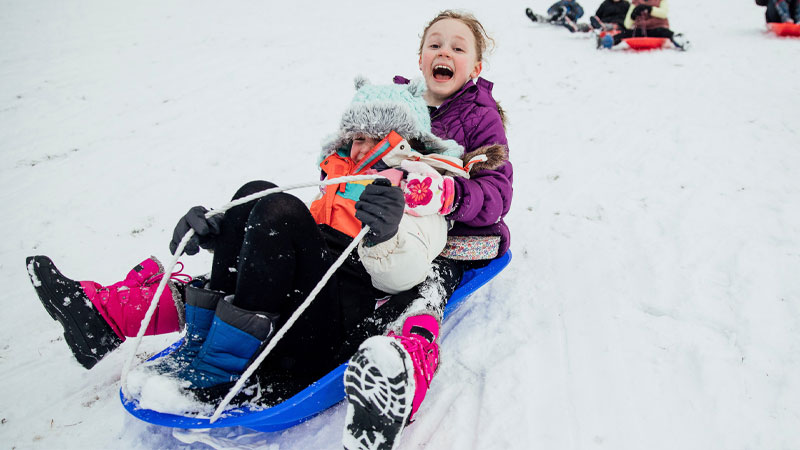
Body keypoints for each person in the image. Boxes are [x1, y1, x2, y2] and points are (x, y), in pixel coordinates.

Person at [26, 77, 490, 404]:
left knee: (279, 210)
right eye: (356, 137)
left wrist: (385, 235)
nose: (364, 147)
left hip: (327, 330)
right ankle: (208, 347)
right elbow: (276, 253)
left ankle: (231, 367)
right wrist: (217, 231)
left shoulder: (416, 196)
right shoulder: (333, 183)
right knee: (253, 195)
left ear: (406, 142)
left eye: (379, 136)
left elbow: (406, 276)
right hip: (289, 313)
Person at [341, 10, 512, 450]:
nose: (444, 52)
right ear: (420, 59)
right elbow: (352, 155)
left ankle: (406, 367)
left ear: (474, 69)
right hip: (388, 225)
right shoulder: (394, 104)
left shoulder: (480, 117)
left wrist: (447, 195)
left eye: (458, 48)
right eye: (435, 44)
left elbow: (497, 192)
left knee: (426, 285)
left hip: (456, 237)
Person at [596, 0, 688, 50]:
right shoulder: (635, 2)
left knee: (663, 32)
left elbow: (664, 13)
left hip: (657, 27)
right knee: (626, 33)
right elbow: (627, 25)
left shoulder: (660, 1)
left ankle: (679, 40)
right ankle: (607, 41)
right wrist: (633, 15)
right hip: (641, 29)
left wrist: (649, 9)